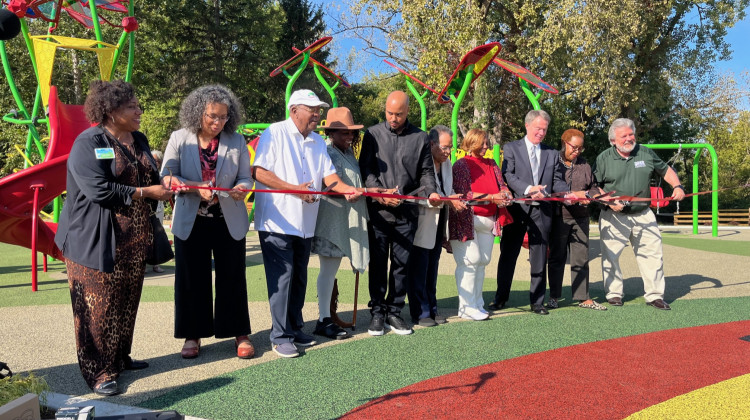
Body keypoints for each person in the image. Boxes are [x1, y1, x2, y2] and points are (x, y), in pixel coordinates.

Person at [54, 80, 173, 396]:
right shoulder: (88, 142)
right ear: (110, 110)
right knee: (98, 307)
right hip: (93, 240)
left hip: (133, 240)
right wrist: (146, 192)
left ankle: (119, 357)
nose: (139, 111)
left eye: (138, 105)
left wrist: (166, 182)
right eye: (132, 106)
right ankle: (98, 372)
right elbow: (99, 190)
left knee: (126, 301)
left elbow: (149, 174)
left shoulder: (138, 139)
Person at [253, 90, 361, 358]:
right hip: (276, 222)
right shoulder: (274, 133)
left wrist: (347, 190)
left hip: (305, 224)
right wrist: (293, 189)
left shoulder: (316, 142)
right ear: (294, 110)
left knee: (299, 276)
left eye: (318, 109)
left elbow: (330, 178)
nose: (317, 114)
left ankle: (295, 327)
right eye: (311, 108)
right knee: (283, 279)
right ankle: (279, 336)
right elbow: (259, 172)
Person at [161, 85, 255, 360]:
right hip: (192, 221)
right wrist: (194, 187)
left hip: (229, 220)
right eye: (213, 116)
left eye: (224, 117)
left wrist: (242, 189)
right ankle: (193, 335)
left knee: (233, 277)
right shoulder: (179, 138)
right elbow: (167, 178)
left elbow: (246, 178)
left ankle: (239, 332)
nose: (218, 122)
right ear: (198, 112)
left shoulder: (236, 141)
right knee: (191, 280)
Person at [359, 90, 441, 336]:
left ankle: (394, 311)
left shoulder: (420, 137)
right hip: (379, 211)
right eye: (389, 113)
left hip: (408, 211)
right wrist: (379, 192)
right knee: (378, 263)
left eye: (399, 114)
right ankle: (377, 312)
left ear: (408, 112)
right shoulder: (372, 134)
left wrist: (431, 193)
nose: (393, 118)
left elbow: (427, 172)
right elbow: (366, 169)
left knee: (402, 264)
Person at [593, 118, 685, 310]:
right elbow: (594, 187)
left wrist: (677, 185)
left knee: (653, 255)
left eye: (630, 134)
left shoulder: (645, 152)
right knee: (610, 255)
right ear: (613, 140)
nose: (628, 138)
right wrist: (609, 201)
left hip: (643, 213)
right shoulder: (603, 158)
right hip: (614, 215)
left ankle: (655, 295)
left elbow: (666, 170)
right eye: (623, 136)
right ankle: (614, 293)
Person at [491, 110, 568, 315]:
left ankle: (537, 302)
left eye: (544, 129)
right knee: (508, 255)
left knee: (539, 256)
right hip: (517, 209)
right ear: (527, 126)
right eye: (538, 128)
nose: (541, 133)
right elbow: (508, 175)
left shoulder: (552, 153)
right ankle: (501, 297)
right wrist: (528, 189)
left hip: (542, 211)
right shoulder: (511, 148)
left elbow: (558, 179)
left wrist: (562, 193)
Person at [311, 107, 375, 340]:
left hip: (346, 219)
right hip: (330, 221)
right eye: (343, 133)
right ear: (331, 132)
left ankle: (329, 314)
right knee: (328, 269)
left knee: (332, 269)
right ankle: (323, 319)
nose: (348, 137)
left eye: (351, 133)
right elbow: (327, 185)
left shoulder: (348, 154)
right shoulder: (326, 152)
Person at [449, 129, 513, 321]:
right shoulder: (461, 165)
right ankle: (466, 306)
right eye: (482, 143)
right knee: (470, 260)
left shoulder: (492, 163)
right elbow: (464, 193)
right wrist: (493, 197)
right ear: (471, 143)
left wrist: (505, 194)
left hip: (489, 219)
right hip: (467, 220)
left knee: (483, 261)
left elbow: (501, 184)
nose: (486, 147)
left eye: (487, 143)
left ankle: (477, 303)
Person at [407, 125, 467, 327]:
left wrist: (450, 200)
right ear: (431, 144)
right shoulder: (421, 163)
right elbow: (419, 193)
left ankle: (432, 308)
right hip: (423, 220)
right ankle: (420, 312)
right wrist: (448, 199)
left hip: (440, 220)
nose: (448, 152)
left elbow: (446, 191)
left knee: (432, 268)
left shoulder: (447, 164)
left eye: (450, 147)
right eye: (444, 147)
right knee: (419, 269)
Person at [546, 129, 607, 311]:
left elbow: (594, 187)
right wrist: (572, 195)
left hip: (581, 218)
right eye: (574, 147)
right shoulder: (552, 162)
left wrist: (590, 195)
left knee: (581, 258)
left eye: (581, 148)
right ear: (565, 142)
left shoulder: (585, 165)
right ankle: (554, 296)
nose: (577, 151)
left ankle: (583, 297)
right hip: (559, 218)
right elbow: (548, 187)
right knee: (557, 258)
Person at [150, 150, 166, 273]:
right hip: (148, 209)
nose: (155, 162)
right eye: (153, 159)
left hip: (159, 209)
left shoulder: (161, 175)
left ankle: (156, 264)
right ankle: (144, 265)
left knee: (158, 237)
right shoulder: (146, 172)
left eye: (157, 161)